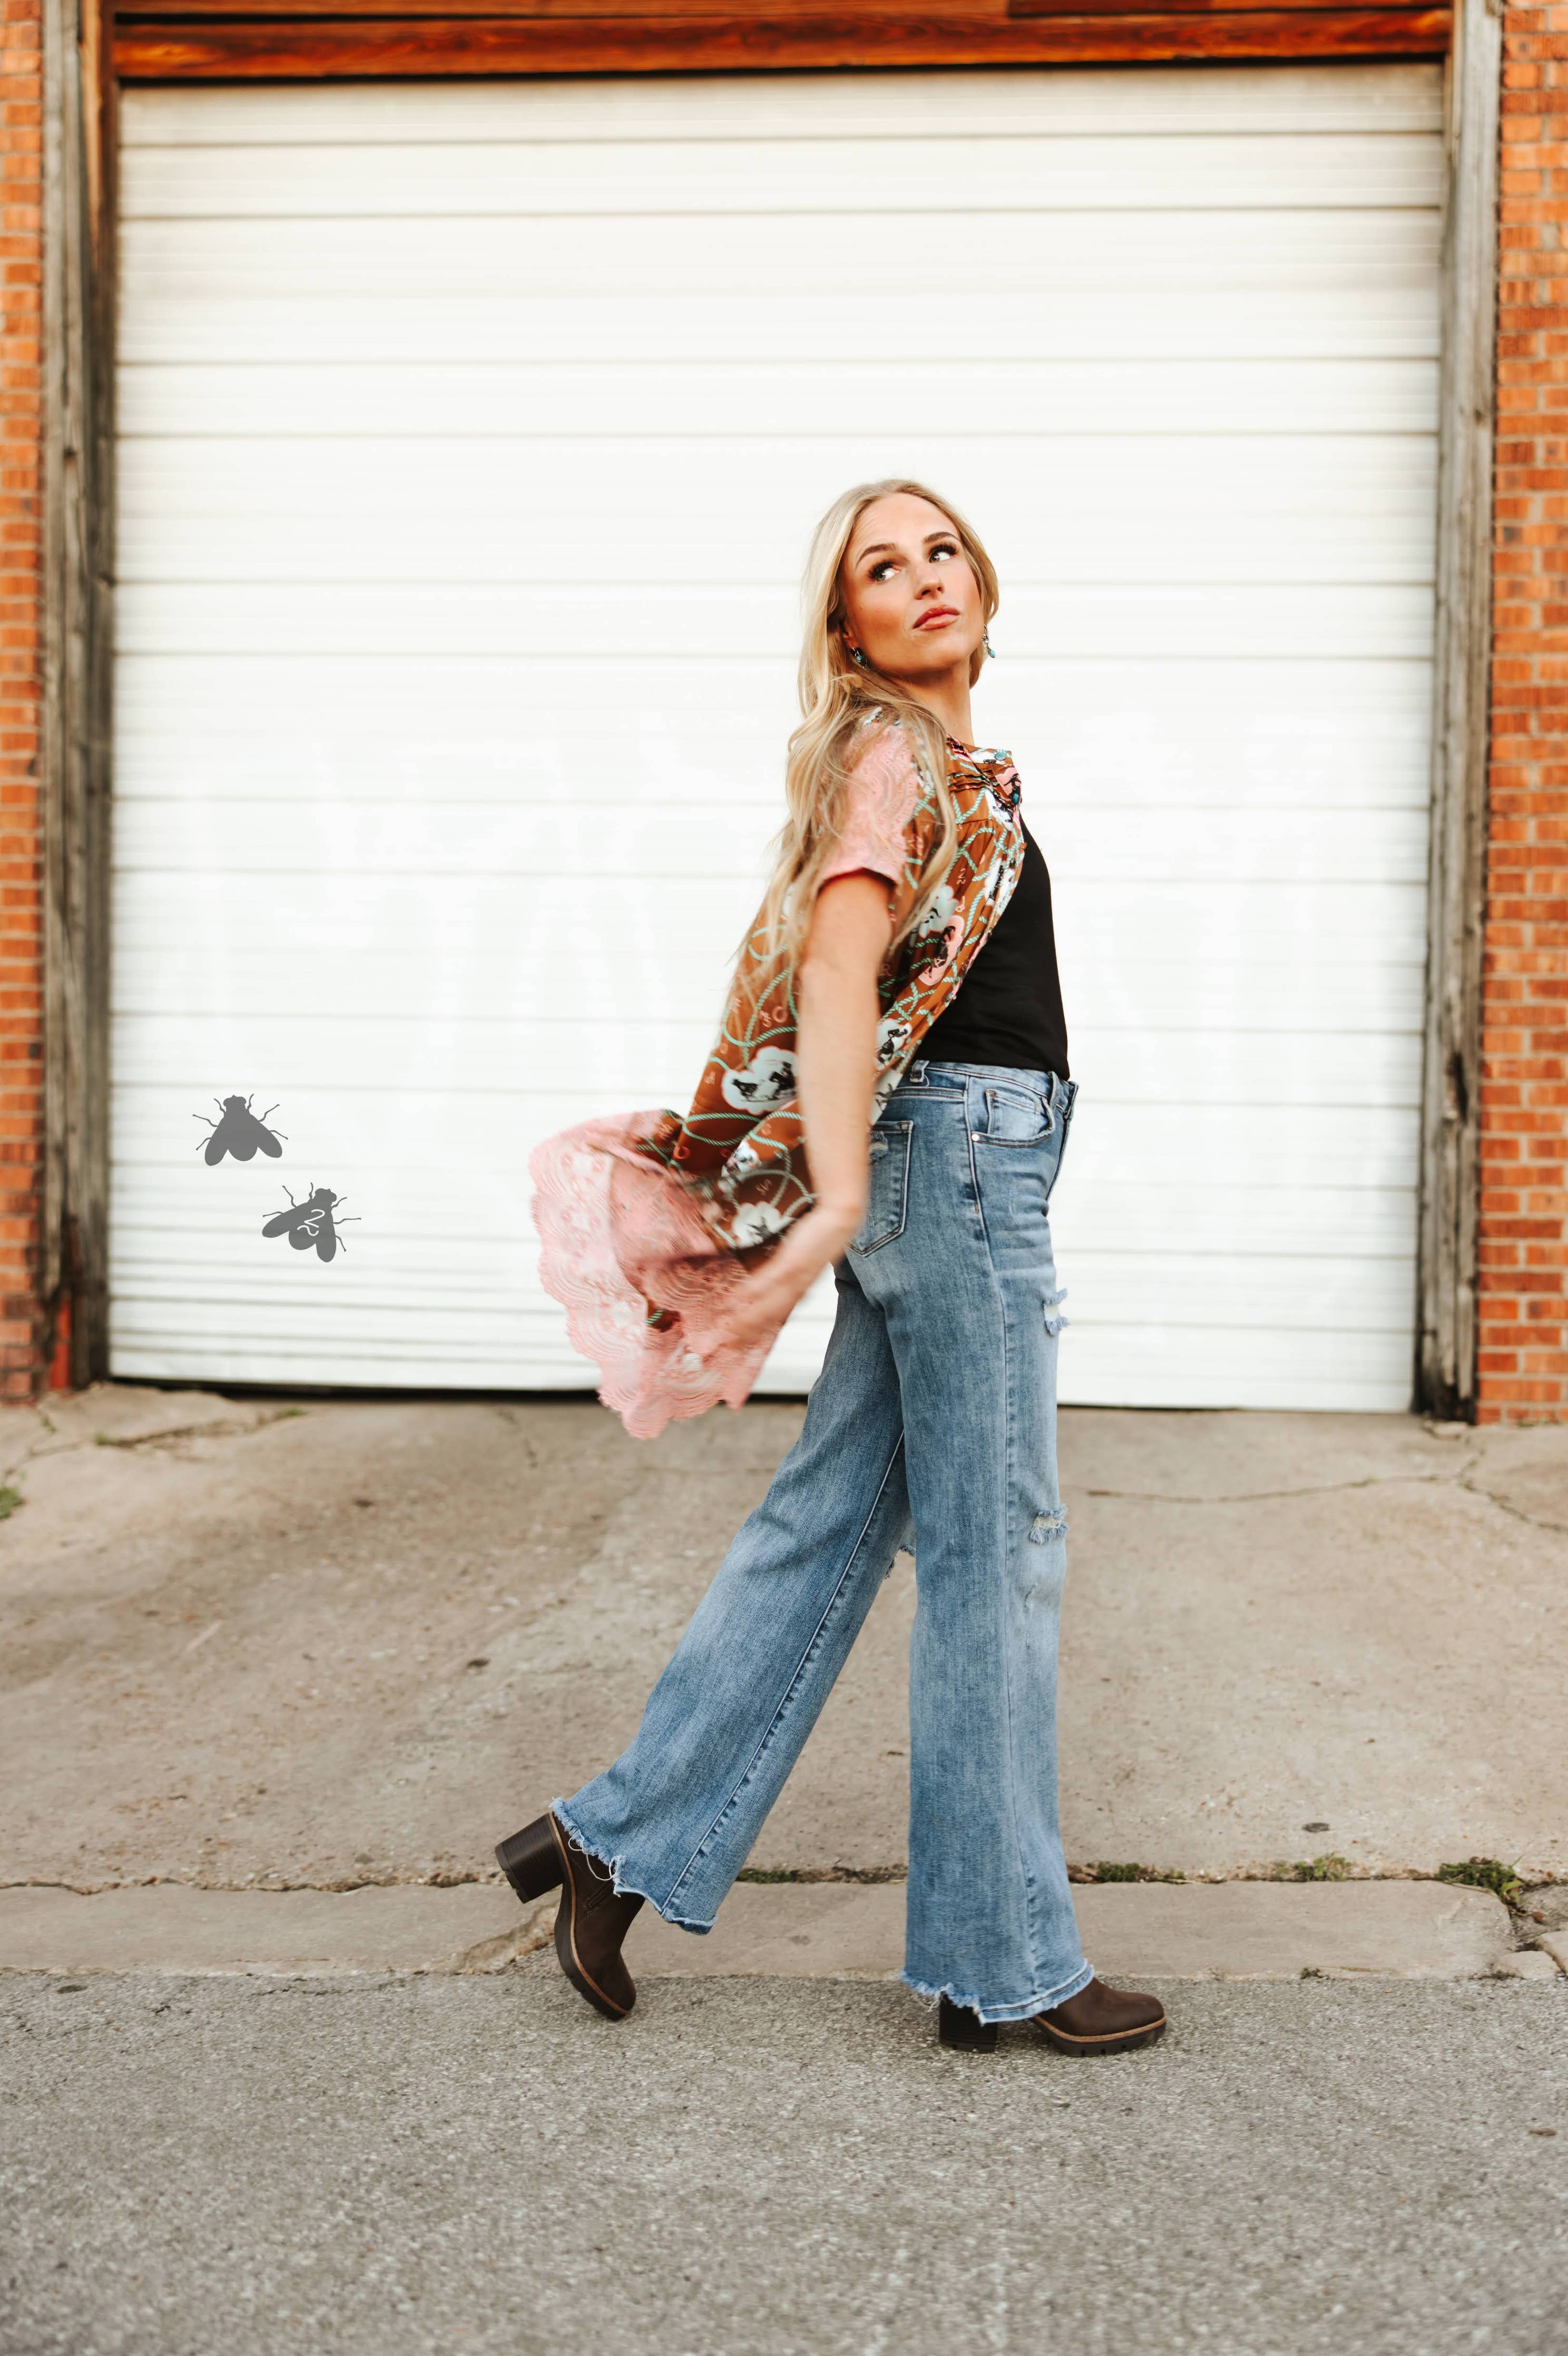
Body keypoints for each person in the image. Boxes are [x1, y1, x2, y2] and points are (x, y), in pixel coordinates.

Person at [499, 479, 1167, 2057]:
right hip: (958, 1169)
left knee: (831, 1524)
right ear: (848, 627)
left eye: (943, 551)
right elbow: (840, 967)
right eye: (883, 566)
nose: (924, 577)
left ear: (982, 587)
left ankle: (612, 1845)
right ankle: (1002, 1961)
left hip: (952, 1164)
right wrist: (843, 1191)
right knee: (998, 1555)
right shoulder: (891, 755)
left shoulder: (950, 770)